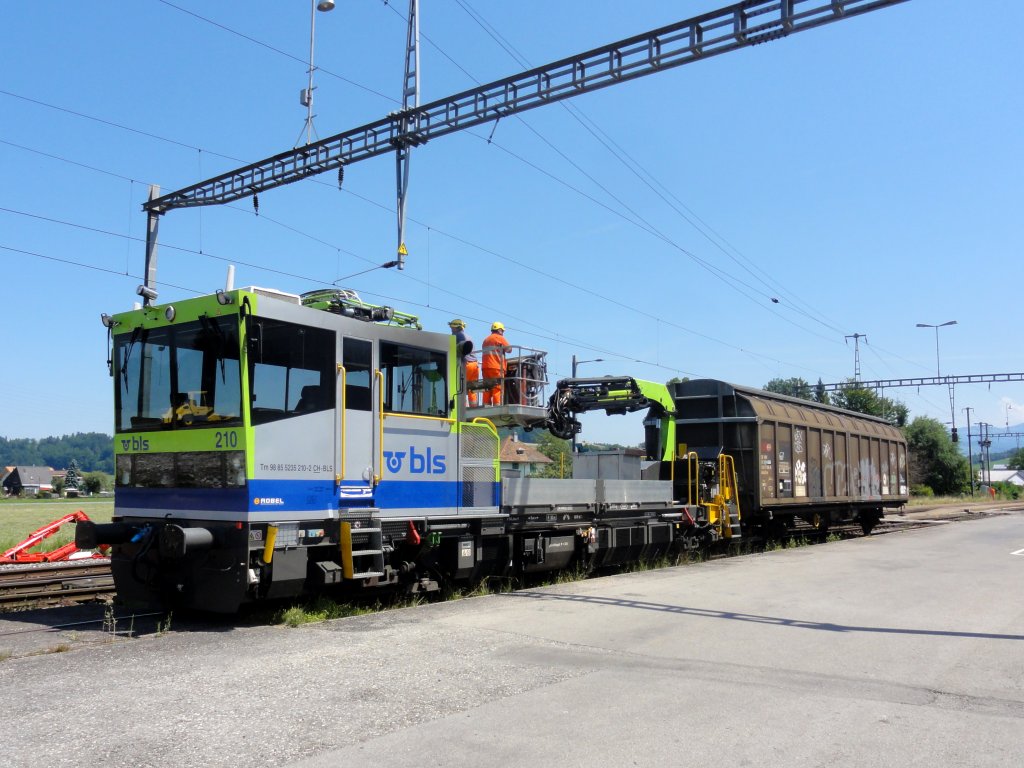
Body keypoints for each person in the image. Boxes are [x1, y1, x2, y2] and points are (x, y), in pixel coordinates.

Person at [448, 319, 479, 406]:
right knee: (471, 389)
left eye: (452, 327)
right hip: (475, 365)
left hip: (466, 365)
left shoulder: (456, 336)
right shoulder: (469, 336)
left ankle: (462, 409)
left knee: (461, 388)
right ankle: (474, 407)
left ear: (456, 328)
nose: (451, 329)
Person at [481, 321, 512, 405]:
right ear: (499, 330)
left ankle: (485, 405)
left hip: (485, 367)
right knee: (497, 387)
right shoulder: (499, 338)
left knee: (486, 387)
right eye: (502, 331)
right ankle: (497, 406)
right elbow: (509, 350)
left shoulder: (486, 340)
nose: (503, 333)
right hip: (496, 367)